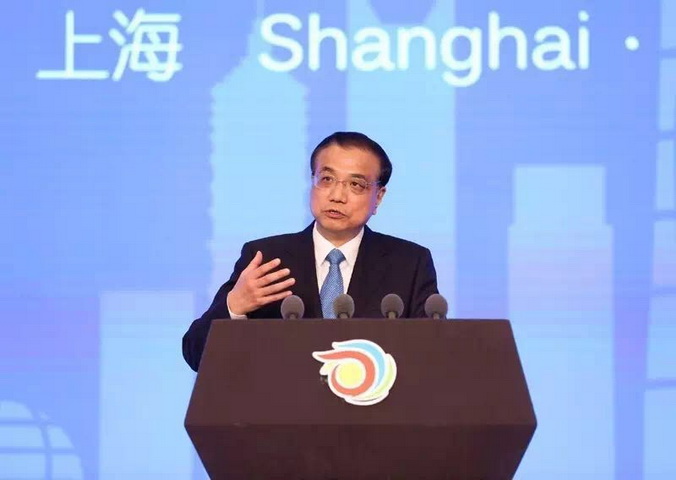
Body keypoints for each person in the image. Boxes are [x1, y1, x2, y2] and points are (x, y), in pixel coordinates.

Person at [182, 132, 438, 371]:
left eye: (355, 184)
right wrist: (235, 307)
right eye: (326, 179)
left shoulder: (410, 263)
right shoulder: (267, 258)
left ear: (378, 197)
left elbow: (433, 358)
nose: (337, 195)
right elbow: (196, 354)